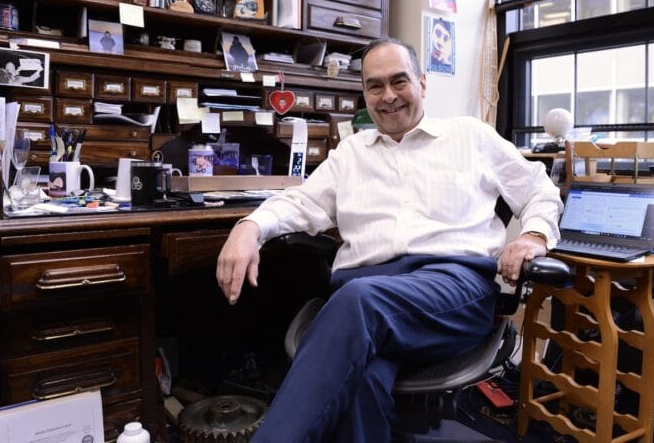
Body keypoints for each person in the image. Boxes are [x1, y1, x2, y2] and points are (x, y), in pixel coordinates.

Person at [216, 38, 562, 443]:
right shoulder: (350, 154)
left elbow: (539, 189)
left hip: (451, 291)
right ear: (365, 94)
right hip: (366, 302)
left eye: (399, 81)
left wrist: (533, 235)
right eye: (375, 86)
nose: (388, 96)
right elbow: (300, 202)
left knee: (359, 301)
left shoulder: (470, 137)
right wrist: (249, 227)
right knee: (362, 381)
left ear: (422, 83)